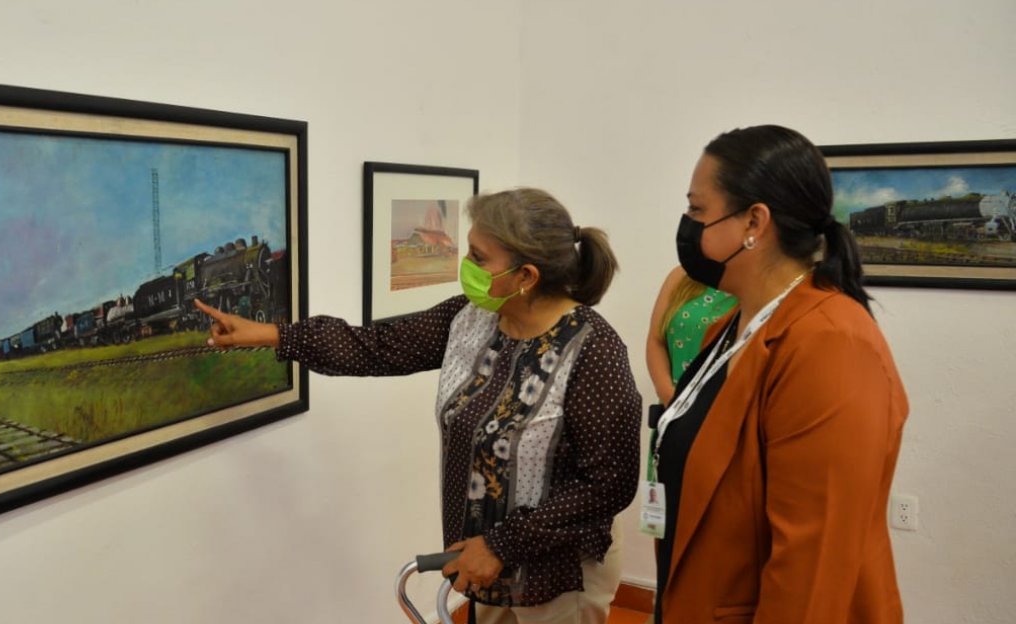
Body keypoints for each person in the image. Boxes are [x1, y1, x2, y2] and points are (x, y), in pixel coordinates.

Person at [196, 188, 642, 624]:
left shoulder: (594, 350)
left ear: (526, 276)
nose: (465, 267)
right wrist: (273, 335)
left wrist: (502, 545)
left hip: (557, 573)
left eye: (479, 258)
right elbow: (376, 347)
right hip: (481, 560)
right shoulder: (469, 318)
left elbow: (609, 483)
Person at [650, 125, 908, 623]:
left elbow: (812, 567)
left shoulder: (831, 343)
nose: (686, 224)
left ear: (754, 221)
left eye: (697, 210)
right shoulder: (731, 327)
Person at [644, 267, 735, 407]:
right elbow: (657, 340)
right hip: (673, 411)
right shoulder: (682, 275)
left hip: (725, 412)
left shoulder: (764, 287)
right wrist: (669, 396)